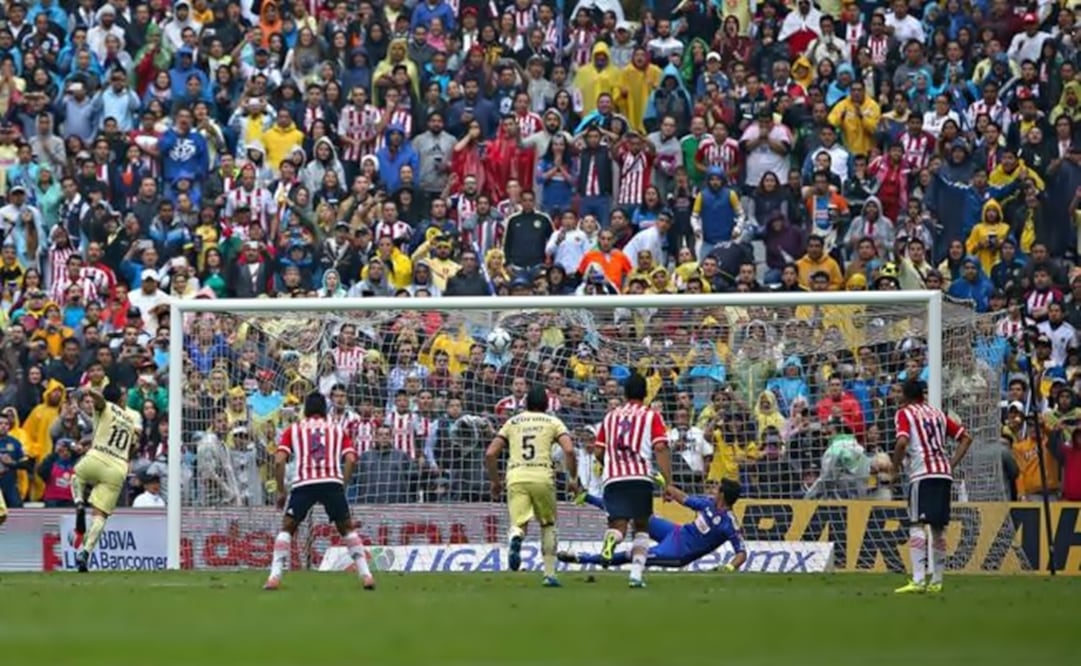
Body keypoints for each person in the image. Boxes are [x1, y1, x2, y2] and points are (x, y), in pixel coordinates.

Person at [265, 391, 374, 591]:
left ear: (305, 410)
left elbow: (279, 460)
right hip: (331, 482)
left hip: (304, 482)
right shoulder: (337, 429)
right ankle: (366, 575)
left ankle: (274, 577)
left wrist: (281, 491)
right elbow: (351, 459)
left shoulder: (294, 429)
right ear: (325, 409)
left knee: (287, 528)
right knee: (347, 528)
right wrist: (344, 483)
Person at [485, 384, 578, 586]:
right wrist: (573, 479)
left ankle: (516, 537)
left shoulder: (513, 422)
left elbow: (491, 453)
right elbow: (569, 450)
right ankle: (550, 575)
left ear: (526, 403)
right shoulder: (553, 422)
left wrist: (495, 481)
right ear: (546, 403)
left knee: (518, 523)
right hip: (542, 475)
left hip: (516, 475)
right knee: (548, 524)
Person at [890, 379, 973, 594]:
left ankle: (918, 580)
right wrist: (951, 463)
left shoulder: (905, 413)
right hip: (943, 474)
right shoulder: (938, 414)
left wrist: (894, 468)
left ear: (906, 396)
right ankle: (936, 581)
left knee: (917, 524)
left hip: (922, 474)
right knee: (938, 528)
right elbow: (966, 437)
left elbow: (901, 442)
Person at [593, 373, 674, 588]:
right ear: (646, 393)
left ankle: (612, 540)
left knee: (618, 525)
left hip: (613, 477)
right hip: (639, 477)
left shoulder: (610, 416)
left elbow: (598, 451)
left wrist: (609, 462)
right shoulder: (651, 415)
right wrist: (668, 482)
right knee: (641, 527)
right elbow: (660, 447)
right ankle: (636, 575)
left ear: (625, 393)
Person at [560, 479, 745, 571]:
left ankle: (581, 558)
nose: (712, 490)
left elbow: (742, 553)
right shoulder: (708, 504)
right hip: (676, 532)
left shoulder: (729, 523)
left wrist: (729, 568)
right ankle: (587, 497)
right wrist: (664, 484)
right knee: (634, 512)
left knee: (632, 554)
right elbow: (684, 499)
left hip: (679, 552)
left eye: (716, 488)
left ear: (722, 494)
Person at [71, 384, 143, 572]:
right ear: (121, 398)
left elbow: (101, 402)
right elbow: (134, 447)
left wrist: (91, 392)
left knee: (77, 476)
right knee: (100, 515)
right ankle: (85, 552)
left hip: (97, 456)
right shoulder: (130, 420)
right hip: (118, 467)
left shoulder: (106, 407)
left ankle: (79, 502)